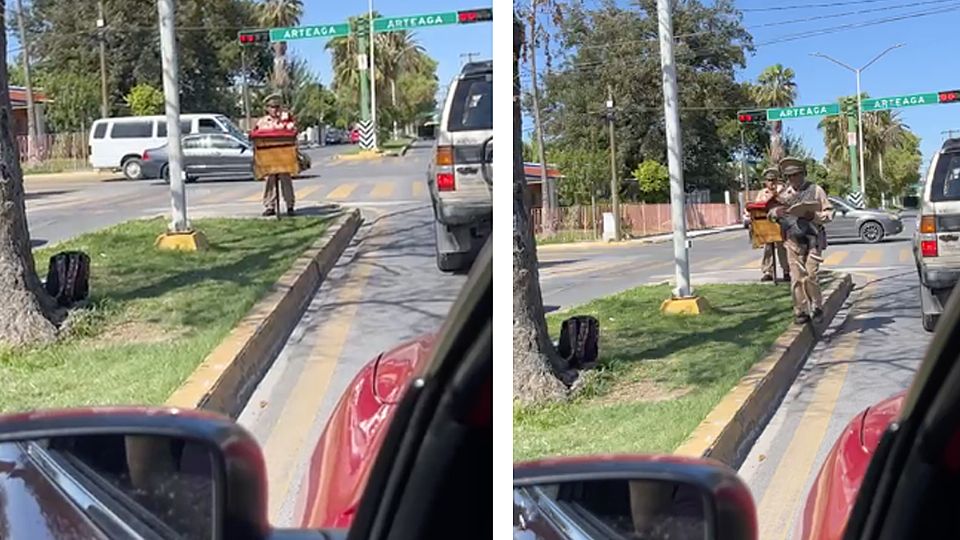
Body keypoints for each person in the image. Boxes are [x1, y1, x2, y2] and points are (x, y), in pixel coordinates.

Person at [770, 157, 834, 325]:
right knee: (797, 277)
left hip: (813, 238)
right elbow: (771, 213)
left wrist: (814, 216)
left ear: (803, 174)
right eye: (790, 176)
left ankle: (817, 306)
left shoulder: (816, 190)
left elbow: (829, 214)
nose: (793, 179)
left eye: (796, 175)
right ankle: (801, 310)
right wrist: (776, 214)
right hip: (792, 240)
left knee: (811, 274)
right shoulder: (783, 194)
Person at [256, 93, 297, 217]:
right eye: (272, 107)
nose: (275, 110)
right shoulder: (263, 122)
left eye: (277, 107)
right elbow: (258, 135)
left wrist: (287, 121)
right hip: (269, 157)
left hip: (283, 157)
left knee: (286, 180)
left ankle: (290, 205)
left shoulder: (285, 120)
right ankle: (270, 206)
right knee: (270, 181)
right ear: (267, 108)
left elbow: (292, 131)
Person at [755, 167, 790, 282]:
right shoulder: (762, 193)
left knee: (782, 248)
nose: (771, 182)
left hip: (779, 223)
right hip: (765, 224)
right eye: (769, 180)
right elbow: (757, 206)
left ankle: (786, 271)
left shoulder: (783, 191)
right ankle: (768, 271)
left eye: (773, 180)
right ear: (765, 181)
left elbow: (787, 204)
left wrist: (777, 195)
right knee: (768, 249)